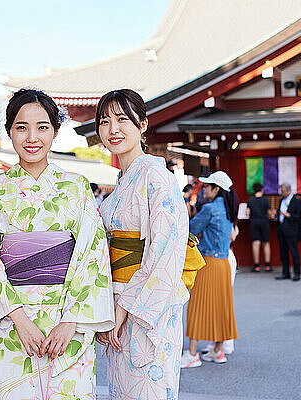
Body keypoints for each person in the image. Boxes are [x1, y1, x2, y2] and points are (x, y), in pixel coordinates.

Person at [0, 89, 114, 399]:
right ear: (9, 130)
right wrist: (20, 320)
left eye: (42, 126)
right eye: (21, 127)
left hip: (68, 323)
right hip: (13, 322)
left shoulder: (76, 186)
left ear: (55, 130)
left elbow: (92, 253)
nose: (32, 137)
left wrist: (70, 321)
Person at [94, 89, 189, 398]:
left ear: (143, 125)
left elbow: (166, 250)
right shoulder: (123, 182)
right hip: (118, 301)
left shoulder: (156, 177)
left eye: (123, 119)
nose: (113, 130)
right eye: (105, 122)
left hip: (145, 307)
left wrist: (122, 308)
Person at [182, 171, 238, 368]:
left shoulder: (210, 209)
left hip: (207, 262)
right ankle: (217, 351)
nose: (204, 190)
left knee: (197, 306)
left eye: (207, 187)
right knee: (222, 308)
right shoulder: (229, 209)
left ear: (216, 189)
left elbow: (189, 230)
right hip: (223, 263)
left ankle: (192, 354)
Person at [275, 183, 301, 281]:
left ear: (289, 190)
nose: (281, 193)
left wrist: (289, 215)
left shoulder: (296, 201)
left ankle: (296, 273)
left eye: (283, 191)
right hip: (281, 229)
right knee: (283, 252)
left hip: (291, 229)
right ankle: (285, 272)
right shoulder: (281, 200)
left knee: (294, 251)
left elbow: (298, 216)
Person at [246, 182, 272, 272]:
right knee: (266, 243)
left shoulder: (250, 200)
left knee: (256, 244)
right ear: (262, 189)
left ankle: (256, 266)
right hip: (264, 222)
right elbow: (269, 213)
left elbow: (247, 213)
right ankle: (267, 265)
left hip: (254, 222)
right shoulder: (265, 200)